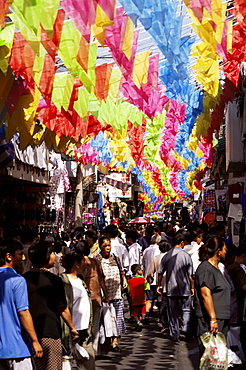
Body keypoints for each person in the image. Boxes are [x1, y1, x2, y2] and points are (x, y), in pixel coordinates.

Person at [23, 241, 78, 370]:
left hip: (28, 333)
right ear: (45, 256)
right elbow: (62, 308)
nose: (55, 256)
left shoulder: (23, 279)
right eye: (52, 253)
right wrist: (72, 327)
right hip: (50, 332)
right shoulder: (54, 280)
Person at [0, 237, 43, 369]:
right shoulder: (17, 280)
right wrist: (35, 341)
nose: (23, 258)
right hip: (17, 347)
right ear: (9, 256)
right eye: (20, 254)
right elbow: (23, 312)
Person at [194, 236, 230, 355]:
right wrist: (213, 319)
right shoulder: (205, 269)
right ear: (217, 251)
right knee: (210, 356)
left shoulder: (216, 268)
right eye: (224, 249)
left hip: (221, 319)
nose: (226, 252)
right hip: (211, 320)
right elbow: (205, 294)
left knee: (218, 356)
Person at [60, 250, 95, 370]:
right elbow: (63, 308)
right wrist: (71, 328)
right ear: (77, 264)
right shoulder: (63, 281)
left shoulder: (80, 280)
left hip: (85, 332)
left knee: (89, 365)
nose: (87, 264)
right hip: (72, 333)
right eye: (83, 261)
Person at [157, 231, 194, 341]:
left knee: (172, 312)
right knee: (186, 310)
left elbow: (160, 272)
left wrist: (159, 285)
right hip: (184, 288)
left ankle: (174, 334)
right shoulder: (186, 256)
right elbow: (190, 274)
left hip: (171, 288)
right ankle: (185, 327)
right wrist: (192, 287)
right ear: (182, 243)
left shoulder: (167, 255)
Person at [75, 240, 109, 356]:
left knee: (83, 324)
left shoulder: (77, 263)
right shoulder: (95, 262)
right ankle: (95, 350)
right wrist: (106, 295)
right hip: (96, 296)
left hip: (81, 298)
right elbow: (101, 279)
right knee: (95, 324)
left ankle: (84, 348)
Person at [95, 237, 127, 352]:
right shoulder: (97, 260)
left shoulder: (116, 259)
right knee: (105, 319)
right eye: (105, 246)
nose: (107, 248)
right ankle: (105, 341)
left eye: (108, 245)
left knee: (117, 317)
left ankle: (115, 341)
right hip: (104, 295)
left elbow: (121, 271)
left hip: (116, 293)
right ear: (100, 247)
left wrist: (124, 280)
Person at [147, 240, 170, 332]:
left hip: (160, 286)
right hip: (172, 284)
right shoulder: (172, 257)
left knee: (162, 305)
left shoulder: (156, 258)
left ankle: (165, 323)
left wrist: (150, 281)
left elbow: (149, 273)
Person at [142, 233, 162, 322]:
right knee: (159, 298)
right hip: (159, 278)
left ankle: (147, 315)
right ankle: (161, 317)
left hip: (148, 277)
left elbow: (142, 263)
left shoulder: (146, 250)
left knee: (149, 298)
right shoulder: (160, 251)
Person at [128, 264, 150, 332]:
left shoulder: (130, 281)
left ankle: (138, 322)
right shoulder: (143, 279)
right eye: (140, 269)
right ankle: (139, 322)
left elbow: (129, 290)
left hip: (134, 299)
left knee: (134, 313)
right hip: (142, 299)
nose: (142, 271)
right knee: (140, 312)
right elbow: (147, 287)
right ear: (138, 271)